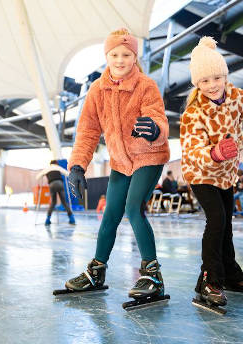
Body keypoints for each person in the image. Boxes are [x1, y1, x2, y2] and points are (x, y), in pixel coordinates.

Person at [64, 28, 170, 303]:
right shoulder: (97, 90)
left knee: (133, 208)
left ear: (134, 57)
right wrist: (77, 166)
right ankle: (97, 272)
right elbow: (87, 131)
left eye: (126, 54)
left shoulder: (146, 85)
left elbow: (158, 118)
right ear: (107, 56)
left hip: (148, 155)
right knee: (110, 214)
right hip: (120, 162)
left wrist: (153, 129)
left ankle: (152, 275)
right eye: (114, 54)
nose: (120, 59)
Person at [180, 36, 243, 310]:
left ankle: (231, 275)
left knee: (227, 224)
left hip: (226, 174)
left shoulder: (238, 98)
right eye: (204, 81)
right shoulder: (193, 114)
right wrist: (215, 152)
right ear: (197, 84)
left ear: (225, 75)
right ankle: (209, 280)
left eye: (217, 78)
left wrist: (235, 146)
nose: (212, 85)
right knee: (216, 220)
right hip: (201, 172)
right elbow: (192, 151)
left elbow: (238, 117)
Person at [36, 160, 75, 225]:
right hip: (59, 184)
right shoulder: (58, 167)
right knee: (64, 202)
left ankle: (47, 220)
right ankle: (72, 219)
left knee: (53, 202)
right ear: (56, 164)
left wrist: (44, 174)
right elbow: (68, 174)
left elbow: (37, 177)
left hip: (51, 185)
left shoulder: (47, 169)